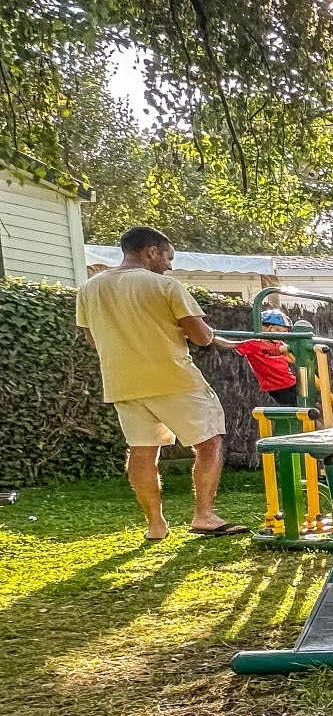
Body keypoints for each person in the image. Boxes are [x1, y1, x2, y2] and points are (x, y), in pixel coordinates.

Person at [74, 227, 246, 539]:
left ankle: (155, 526)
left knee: (141, 450)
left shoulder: (90, 288)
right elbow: (200, 337)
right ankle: (204, 516)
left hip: (123, 382)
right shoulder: (165, 286)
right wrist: (210, 336)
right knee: (209, 442)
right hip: (174, 379)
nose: (169, 265)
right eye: (168, 257)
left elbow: (92, 338)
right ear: (151, 251)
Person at [231, 311, 301, 406]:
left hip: (291, 382)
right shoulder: (254, 344)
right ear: (265, 328)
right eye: (277, 330)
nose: (281, 334)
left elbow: (292, 359)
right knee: (297, 406)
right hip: (276, 387)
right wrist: (212, 337)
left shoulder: (280, 344)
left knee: (311, 403)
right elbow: (231, 344)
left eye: (284, 332)